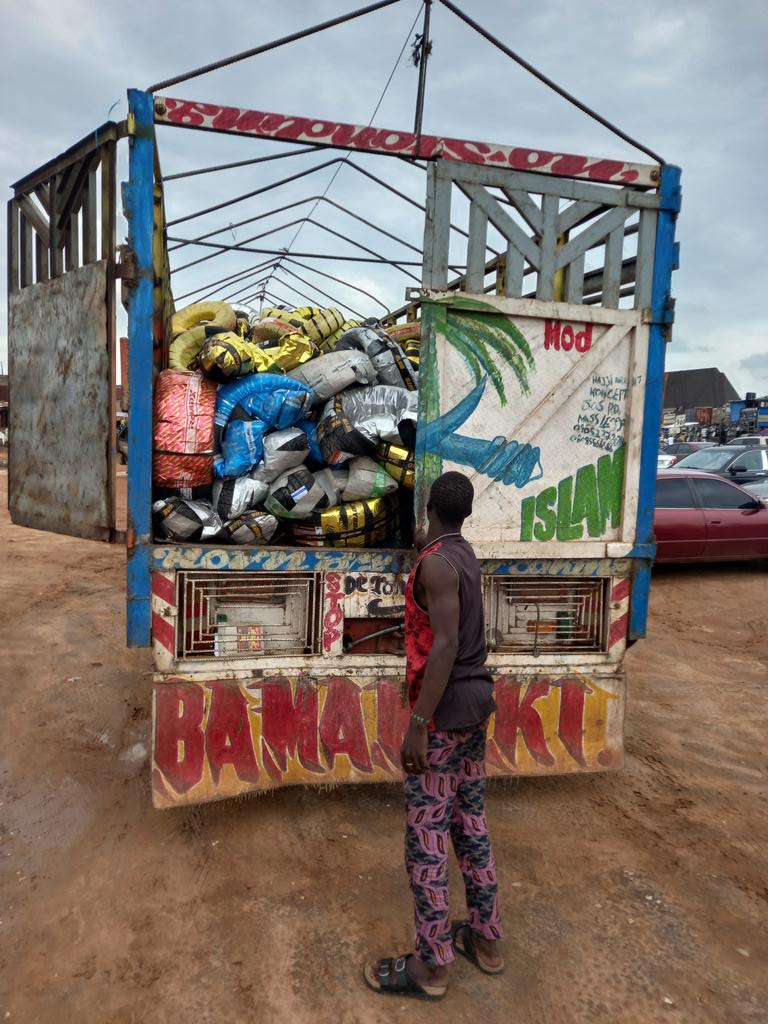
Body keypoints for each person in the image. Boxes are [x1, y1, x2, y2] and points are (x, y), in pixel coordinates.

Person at [364, 471, 503, 1001]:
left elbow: (443, 646)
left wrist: (418, 725)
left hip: (443, 717)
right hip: (475, 711)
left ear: (429, 507)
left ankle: (430, 968)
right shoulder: (460, 555)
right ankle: (486, 942)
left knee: (426, 841)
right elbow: (435, 544)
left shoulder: (436, 566)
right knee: (471, 827)